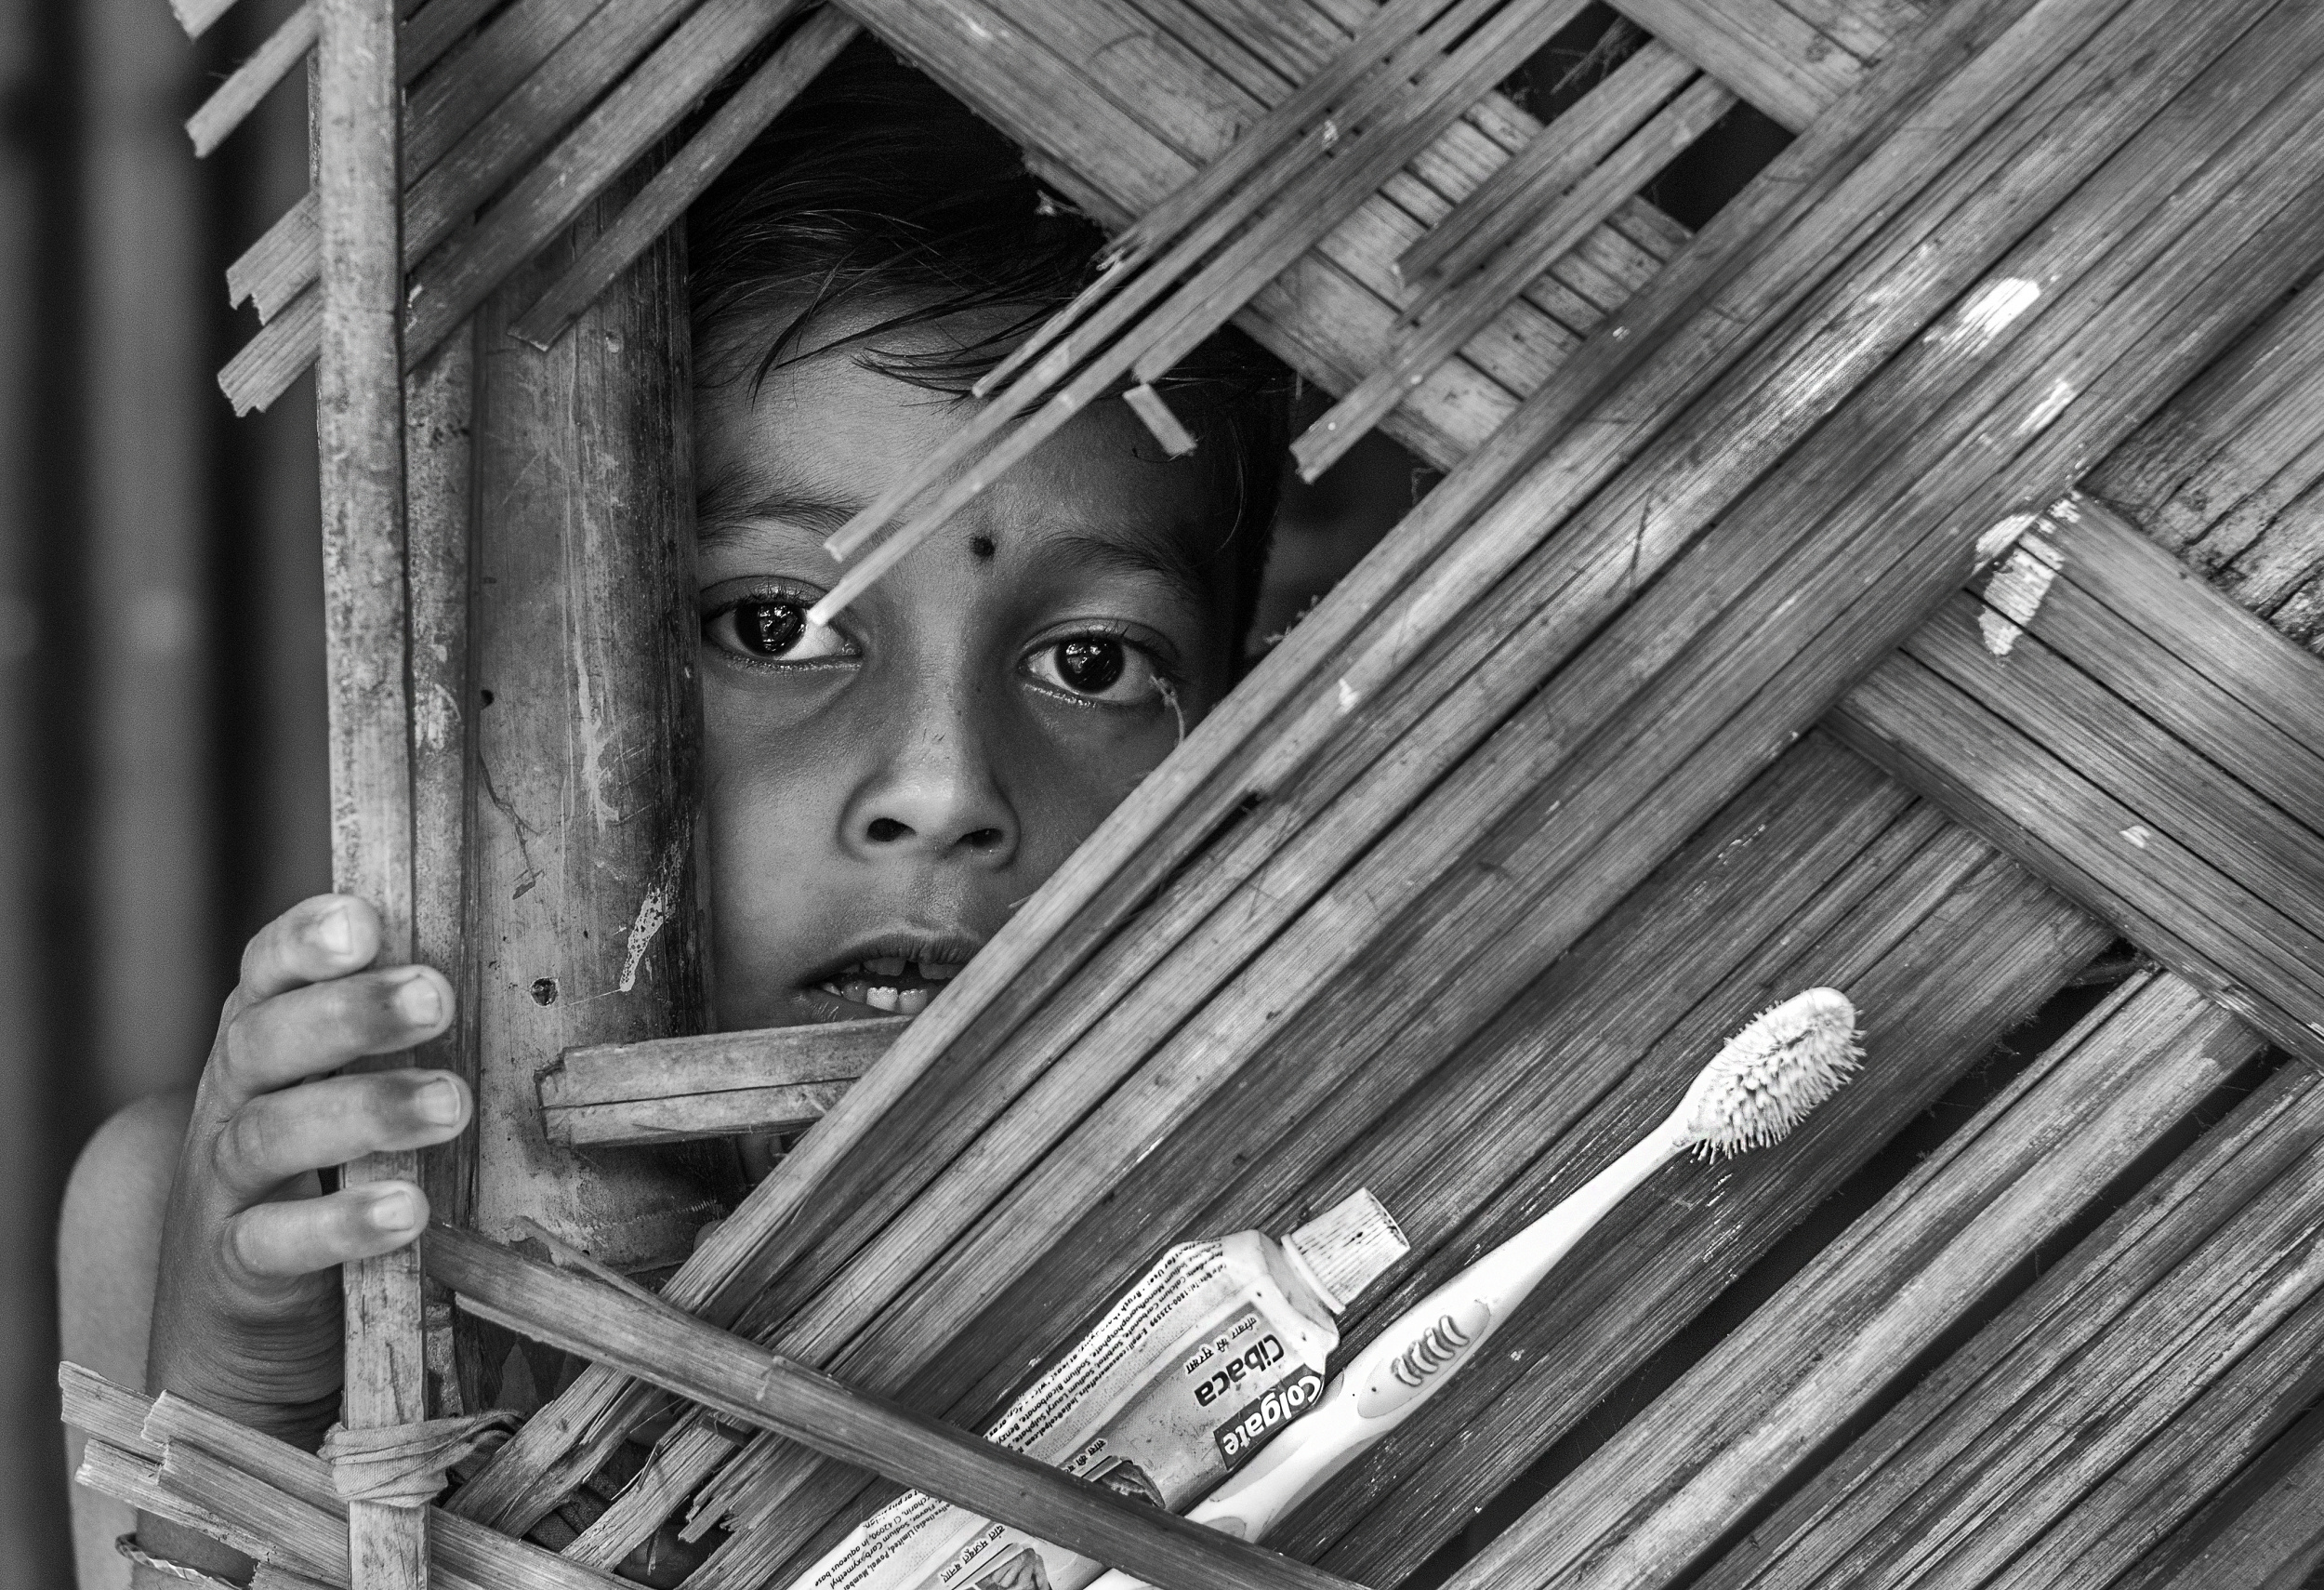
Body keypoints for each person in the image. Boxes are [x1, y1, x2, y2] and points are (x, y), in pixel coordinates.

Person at [58, 36, 1288, 1588]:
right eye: (775, 625)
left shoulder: (1314, 1234)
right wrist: (244, 1419)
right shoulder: (232, 1223)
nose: (943, 790)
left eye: (1091, 662)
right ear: (532, 663)